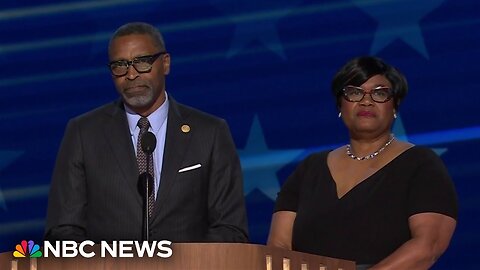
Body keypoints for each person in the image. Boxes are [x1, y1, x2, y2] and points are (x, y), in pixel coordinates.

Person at [45, 22, 248, 243]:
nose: (131, 74)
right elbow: (63, 232)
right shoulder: (83, 134)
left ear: (166, 63)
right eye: (120, 65)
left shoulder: (210, 133)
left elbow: (230, 228)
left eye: (142, 62)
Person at [267, 56, 458, 269]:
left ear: (395, 105)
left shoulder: (421, 165)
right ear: (340, 104)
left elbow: (427, 247)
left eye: (379, 93)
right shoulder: (309, 169)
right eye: (354, 92)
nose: (366, 101)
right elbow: (279, 246)